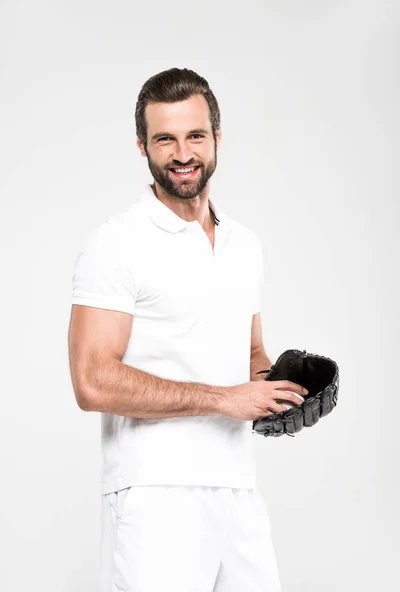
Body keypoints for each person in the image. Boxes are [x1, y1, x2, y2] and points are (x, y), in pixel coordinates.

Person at [68, 67, 308, 592]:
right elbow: (92, 382)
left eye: (195, 135)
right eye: (165, 139)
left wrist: (286, 387)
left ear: (217, 137)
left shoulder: (244, 244)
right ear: (142, 146)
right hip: (156, 490)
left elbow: (251, 352)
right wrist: (225, 399)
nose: (182, 153)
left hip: (239, 488)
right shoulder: (117, 244)